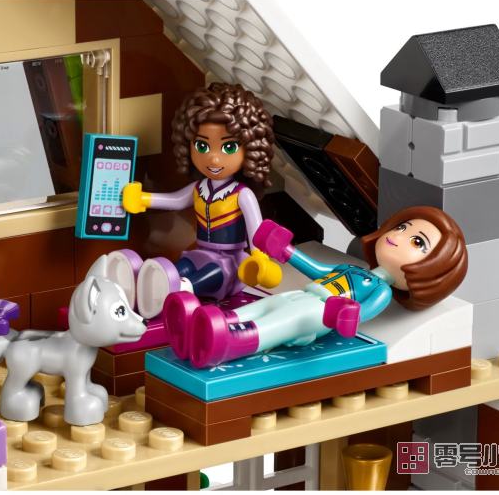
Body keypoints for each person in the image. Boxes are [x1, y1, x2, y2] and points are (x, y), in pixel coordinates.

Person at [164, 206, 469, 368]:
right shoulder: (353, 269)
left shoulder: (381, 290)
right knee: (260, 307)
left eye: (417, 242)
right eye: (402, 227)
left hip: (317, 314)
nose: (399, 236)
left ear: (430, 272)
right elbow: (318, 269)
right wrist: (286, 251)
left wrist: (343, 314)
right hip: (303, 295)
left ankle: (227, 343)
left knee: (277, 323)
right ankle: (196, 327)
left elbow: (362, 313)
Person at [120, 82, 282, 319]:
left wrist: (260, 258)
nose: (213, 158)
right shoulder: (200, 188)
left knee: (200, 278)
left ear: (251, 149)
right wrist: (142, 198)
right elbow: (175, 201)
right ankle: (147, 286)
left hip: (231, 264)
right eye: (202, 146)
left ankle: (179, 291)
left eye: (228, 147)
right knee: (174, 270)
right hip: (199, 253)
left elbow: (256, 233)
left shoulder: (242, 194)